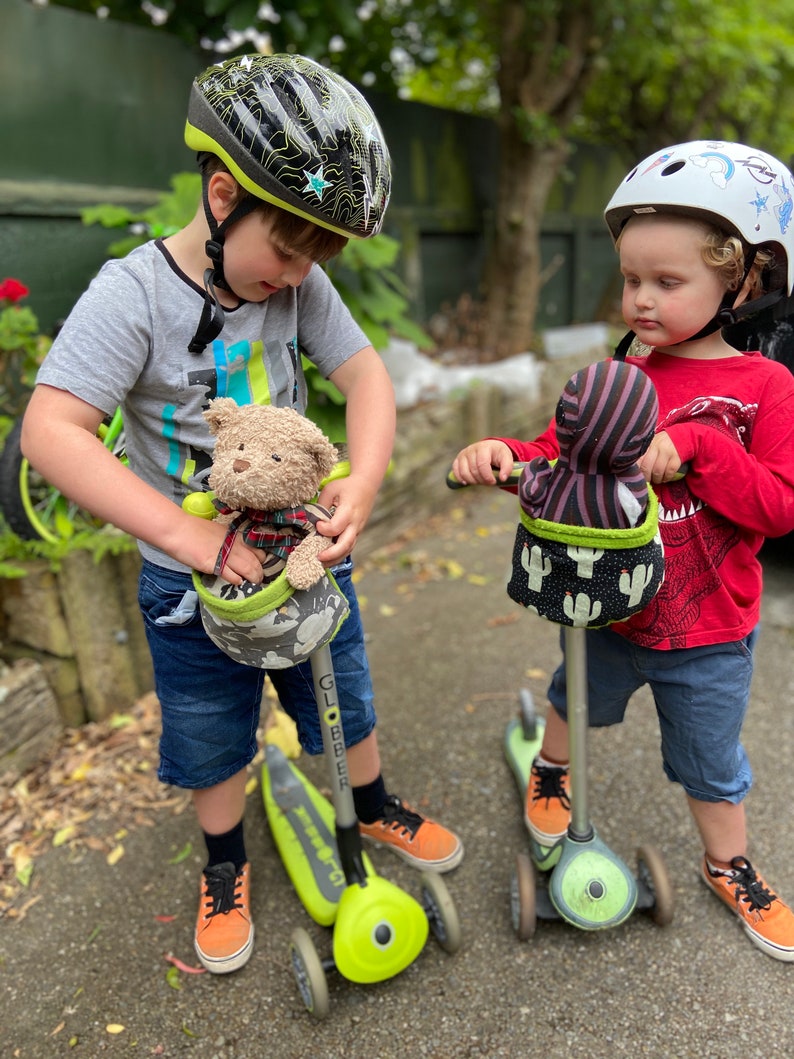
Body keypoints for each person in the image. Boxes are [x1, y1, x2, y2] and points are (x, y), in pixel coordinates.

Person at [21, 53, 462, 975]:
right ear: (223, 196)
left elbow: (367, 373)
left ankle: (370, 800)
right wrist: (189, 536)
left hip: (301, 557)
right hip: (189, 586)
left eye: (317, 259)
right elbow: (51, 430)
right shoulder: (132, 294)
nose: (299, 274)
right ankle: (225, 864)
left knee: (340, 690)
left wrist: (365, 479)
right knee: (209, 729)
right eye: (291, 249)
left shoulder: (297, 282)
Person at [452, 140, 794, 961]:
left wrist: (704, 448)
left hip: (710, 626)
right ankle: (551, 772)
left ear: (741, 282)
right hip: (606, 605)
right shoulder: (622, 371)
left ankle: (730, 863)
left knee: (711, 760)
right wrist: (504, 457)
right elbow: (554, 458)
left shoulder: (766, 388)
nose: (639, 299)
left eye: (667, 282)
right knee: (573, 697)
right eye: (632, 278)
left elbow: (779, 507)